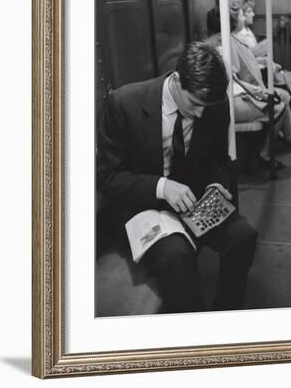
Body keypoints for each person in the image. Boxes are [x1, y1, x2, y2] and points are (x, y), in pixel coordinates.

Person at [97, 42, 258, 314]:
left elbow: (218, 159)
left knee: (243, 236)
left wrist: (217, 184)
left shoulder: (214, 107)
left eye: (206, 106)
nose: (200, 114)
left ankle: (227, 312)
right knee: (176, 256)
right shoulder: (124, 103)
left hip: (195, 198)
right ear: (178, 80)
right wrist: (161, 187)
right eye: (194, 103)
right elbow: (107, 176)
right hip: (146, 203)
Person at [206, 4, 291, 157]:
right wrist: (256, 91)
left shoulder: (222, 43)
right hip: (227, 103)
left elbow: (234, 77)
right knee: (277, 106)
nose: (244, 18)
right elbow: (232, 79)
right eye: (241, 16)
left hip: (235, 95)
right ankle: (266, 153)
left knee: (279, 98)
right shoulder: (222, 46)